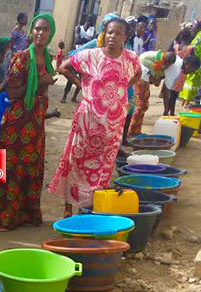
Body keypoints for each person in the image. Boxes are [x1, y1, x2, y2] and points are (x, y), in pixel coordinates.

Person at [49, 18, 141, 216]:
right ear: (103, 34)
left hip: (113, 127)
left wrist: (122, 88)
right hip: (87, 122)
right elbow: (63, 67)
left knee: (102, 168)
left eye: (117, 33)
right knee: (75, 161)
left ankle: (89, 209)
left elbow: (138, 75)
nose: (112, 37)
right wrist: (82, 85)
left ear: (125, 37)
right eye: (109, 32)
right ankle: (68, 207)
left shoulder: (131, 58)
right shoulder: (90, 56)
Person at [0, 13, 55, 231]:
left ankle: (25, 215)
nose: (40, 33)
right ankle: (2, 217)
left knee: (31, 167)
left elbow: (42, 92)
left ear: (51, 34)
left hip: (36, 123)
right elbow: (12, 92)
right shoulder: (21, 57)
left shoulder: (47, 59)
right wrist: (41, 81)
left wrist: (43, 86)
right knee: (10, 167)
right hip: (17, 123)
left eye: (45, 30)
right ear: (31, 31)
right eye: (37, 29)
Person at [128, 50, 176, 136]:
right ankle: (131, 131)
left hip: (143, 77)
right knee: (140, 105)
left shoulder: (160, 59)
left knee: (143, 105)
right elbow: (157, 82)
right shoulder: (156, 62)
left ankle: (136, 130)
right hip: (141, 78)